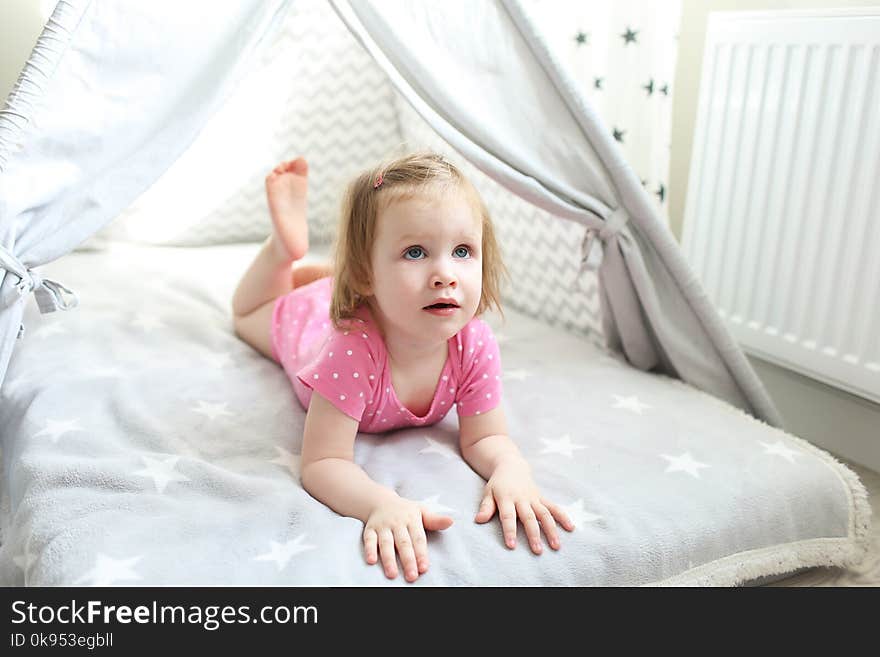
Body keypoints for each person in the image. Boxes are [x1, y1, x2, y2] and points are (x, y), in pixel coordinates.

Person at [232, 152, 573, 583]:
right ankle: (285, 251)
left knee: (324, 286)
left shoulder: (474, 342)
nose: (445, 274)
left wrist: (512, 470)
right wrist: (379, 503)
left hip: (367, 293)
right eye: (415, 252)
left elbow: (485, 435)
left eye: (463, 251)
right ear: (367, 275)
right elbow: (323, 462)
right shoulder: (351, 351)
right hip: (310, 325)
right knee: (247, 313)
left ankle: (328, 274)